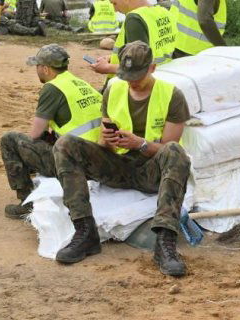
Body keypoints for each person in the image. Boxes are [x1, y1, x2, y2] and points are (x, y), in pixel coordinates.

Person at [52, 41, 191, 277]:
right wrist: (108, 140)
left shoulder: (172, 95)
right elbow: (103, 147)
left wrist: (140, 144)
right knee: (65, 144)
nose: (132, 82)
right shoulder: (113, 90)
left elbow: (168, 149)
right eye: (127, 76)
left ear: (152, 68)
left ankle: (165, 241)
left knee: (177, 153)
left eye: (137, 75)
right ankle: (85, 232)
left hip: (151, 170)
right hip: (120, 166)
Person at [0, 44, 103, 219]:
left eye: (37, 66)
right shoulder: (79, 83)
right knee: (50, 138)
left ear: (45, 69)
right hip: (99, 158)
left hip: (75, 164)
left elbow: (35, 134)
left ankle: (27, 201)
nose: (37, 70)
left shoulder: (52, 88)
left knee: (9, 140)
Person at [88, 0, 176, 81]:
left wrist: (107, 68)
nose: (115, 10)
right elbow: (157, 49)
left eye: (114, 3)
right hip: (163, 78)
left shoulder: (135, 18)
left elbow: (138, 67)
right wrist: (113, 58)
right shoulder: (164, 12)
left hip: (138, 87)